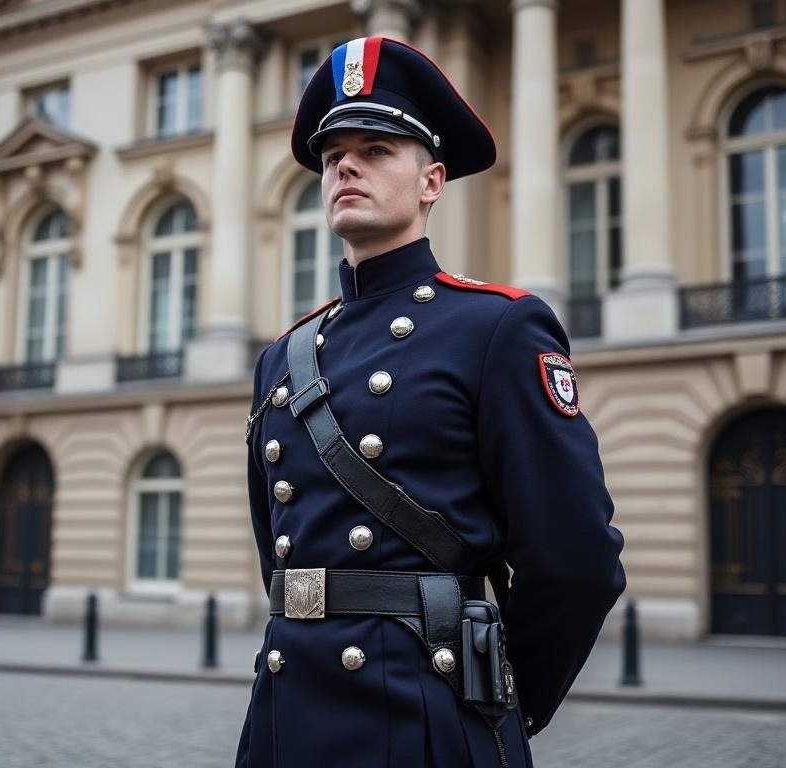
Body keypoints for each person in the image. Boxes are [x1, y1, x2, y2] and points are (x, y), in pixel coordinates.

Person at [236, 36, 626, 768]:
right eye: (332, 156)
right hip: (287, 716)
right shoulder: (282, 358)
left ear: (432, 182)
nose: (345, 165)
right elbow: (279, 556)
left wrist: (495, 699)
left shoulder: (497, 328)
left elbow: (576, 557)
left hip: (426, 718)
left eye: (376, 147)